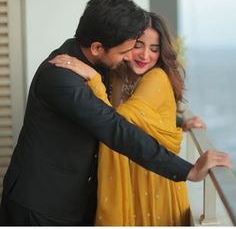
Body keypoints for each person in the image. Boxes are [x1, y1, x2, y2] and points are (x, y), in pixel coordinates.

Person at [0, 0, 231, 226]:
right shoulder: (62, 77)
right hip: (41, 205)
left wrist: (177, 120)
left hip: (75, 199)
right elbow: (115, 126)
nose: (130, 57)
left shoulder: (95, 60)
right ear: (98, 47)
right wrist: (188, 171)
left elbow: (127, 106)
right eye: (124, 52)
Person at [48, 12, 205, 225]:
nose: (145, 55)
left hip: (153, 177)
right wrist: (180, 122)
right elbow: (141, 115)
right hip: (129, 173)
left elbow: (120, 119)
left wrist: (93, 79)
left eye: (154, 49)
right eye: (139, 45)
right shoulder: (117, 73)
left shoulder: (156, 77)